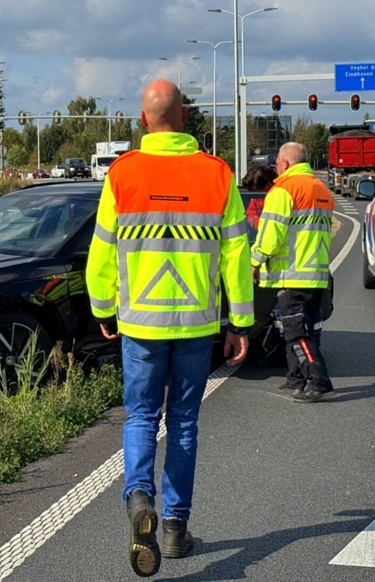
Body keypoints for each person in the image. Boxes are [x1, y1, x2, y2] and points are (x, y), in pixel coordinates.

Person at [86, 79, 253, 577]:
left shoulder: (122, 174)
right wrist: (240, 321)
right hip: (196, 324)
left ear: (143, 122)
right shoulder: (218, 175)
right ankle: (176, 530)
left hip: (139, 323)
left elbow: (102, 251)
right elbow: (236, 255)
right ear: (185, 118)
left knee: (140, 417)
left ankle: (140, 496)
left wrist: (103, 309)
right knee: (183, 423)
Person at [250, 142, 335, 403]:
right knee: (299, 329)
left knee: (296, 332)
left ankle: (319, 382)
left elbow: (271, 236)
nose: (276, 168)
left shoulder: (283, 190)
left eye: (277, 163)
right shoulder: (321, 189)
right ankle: (295, 378)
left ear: (285, 163)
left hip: (291, 274)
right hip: (315, 274)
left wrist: (255, 260)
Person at [241, 164, 277, 229]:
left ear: (268, 185)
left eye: (256, 191)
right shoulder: (256, 198)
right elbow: (251, 215)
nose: (255, 195)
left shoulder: (281, 196)